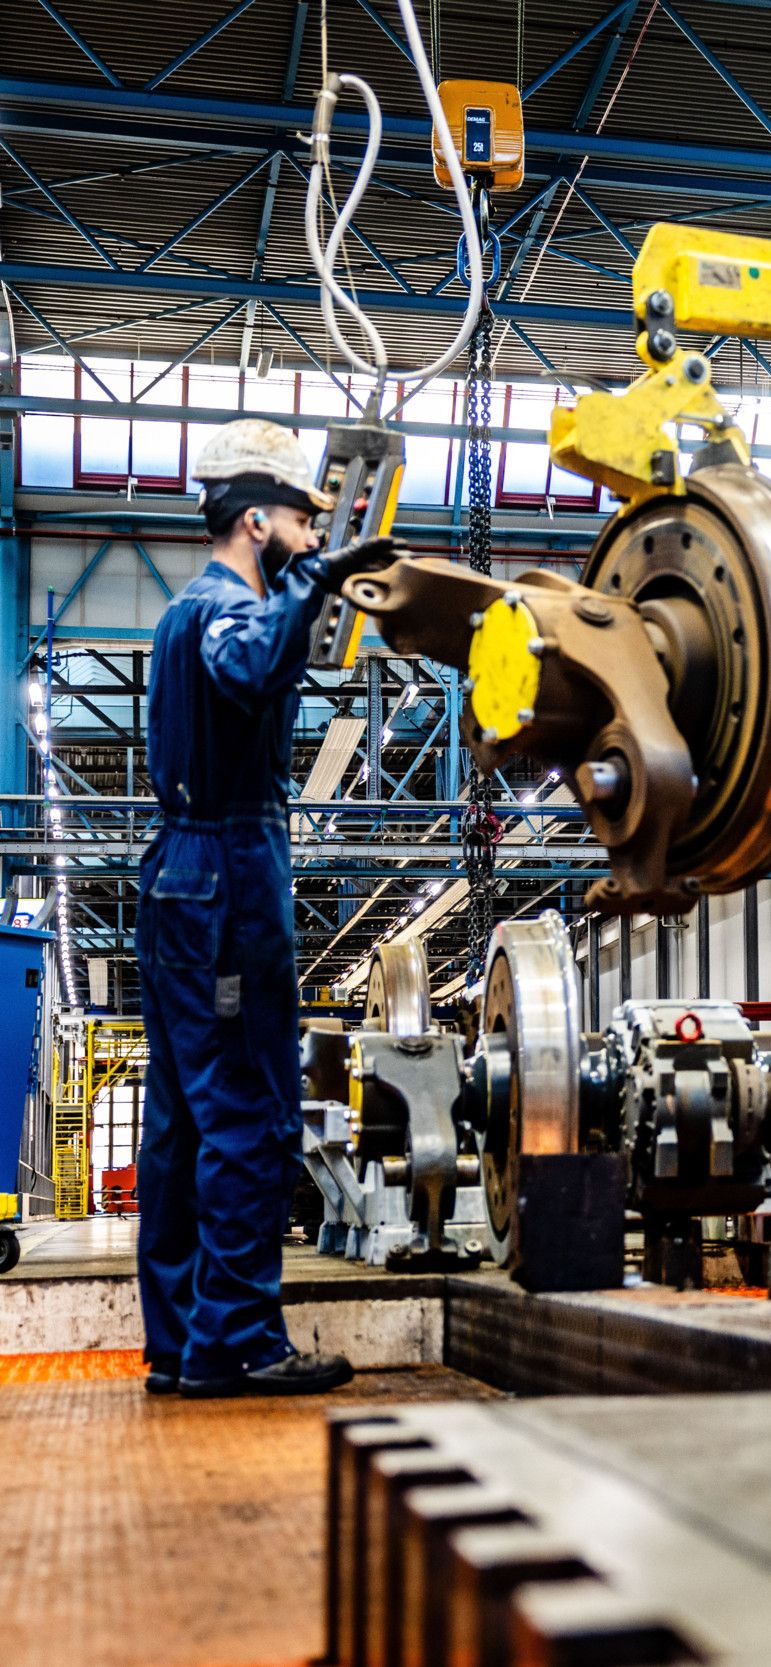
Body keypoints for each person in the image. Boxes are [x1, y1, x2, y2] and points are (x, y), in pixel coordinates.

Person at [138, 418, 400, 1397]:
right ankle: (239, 1341)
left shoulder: (180, 613)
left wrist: (309, 582)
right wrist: (315, 580)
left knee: (181, 1121)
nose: (312, 533)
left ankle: (179, 1343)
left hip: (179, 876)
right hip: (226, 881)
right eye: (301, 519)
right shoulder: (226, 611)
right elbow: (248, 664)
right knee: (248, 1110)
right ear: (257, 520)